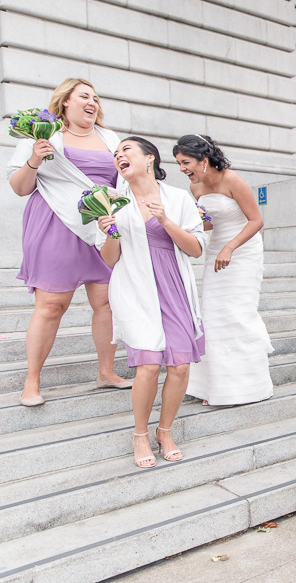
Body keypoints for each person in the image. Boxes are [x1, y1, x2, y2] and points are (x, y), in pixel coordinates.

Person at [6, 78, 131, 406]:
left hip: (102, 227)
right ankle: (31, 382)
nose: (93, 102)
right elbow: (20, 187)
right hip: (56, 223)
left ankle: (107, 371)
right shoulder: (43, 134)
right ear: (64, 103)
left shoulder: (110, 137)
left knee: (107, 303)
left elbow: (124, 178)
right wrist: (34, 157)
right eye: (85, 96)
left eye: (96, 97)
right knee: (51, 306)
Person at [97, 137, 205, 469]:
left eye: (126, 150)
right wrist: (111, 232)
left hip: (173, 286)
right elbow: (109, 259)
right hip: (135, 287)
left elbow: (196, 248)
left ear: (149, 159)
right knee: (147, 365)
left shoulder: (177, 197)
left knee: (180, 366)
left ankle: (165, 430)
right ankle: (140, 434)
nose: (119, 155)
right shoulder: (112, 201)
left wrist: (167, 220)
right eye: (116, 154)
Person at [174, 134, 274, 406]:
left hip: (242, 251)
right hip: (214, 253)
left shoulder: (232, 179)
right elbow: (207, 224)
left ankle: (246, 387)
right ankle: (215, 386)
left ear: (203, 160)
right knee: (213, 316)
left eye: (186, 163)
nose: (182, 170)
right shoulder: (195, 190)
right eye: (179, 164)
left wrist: (230, 247)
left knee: (237, 313)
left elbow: (256, 220)